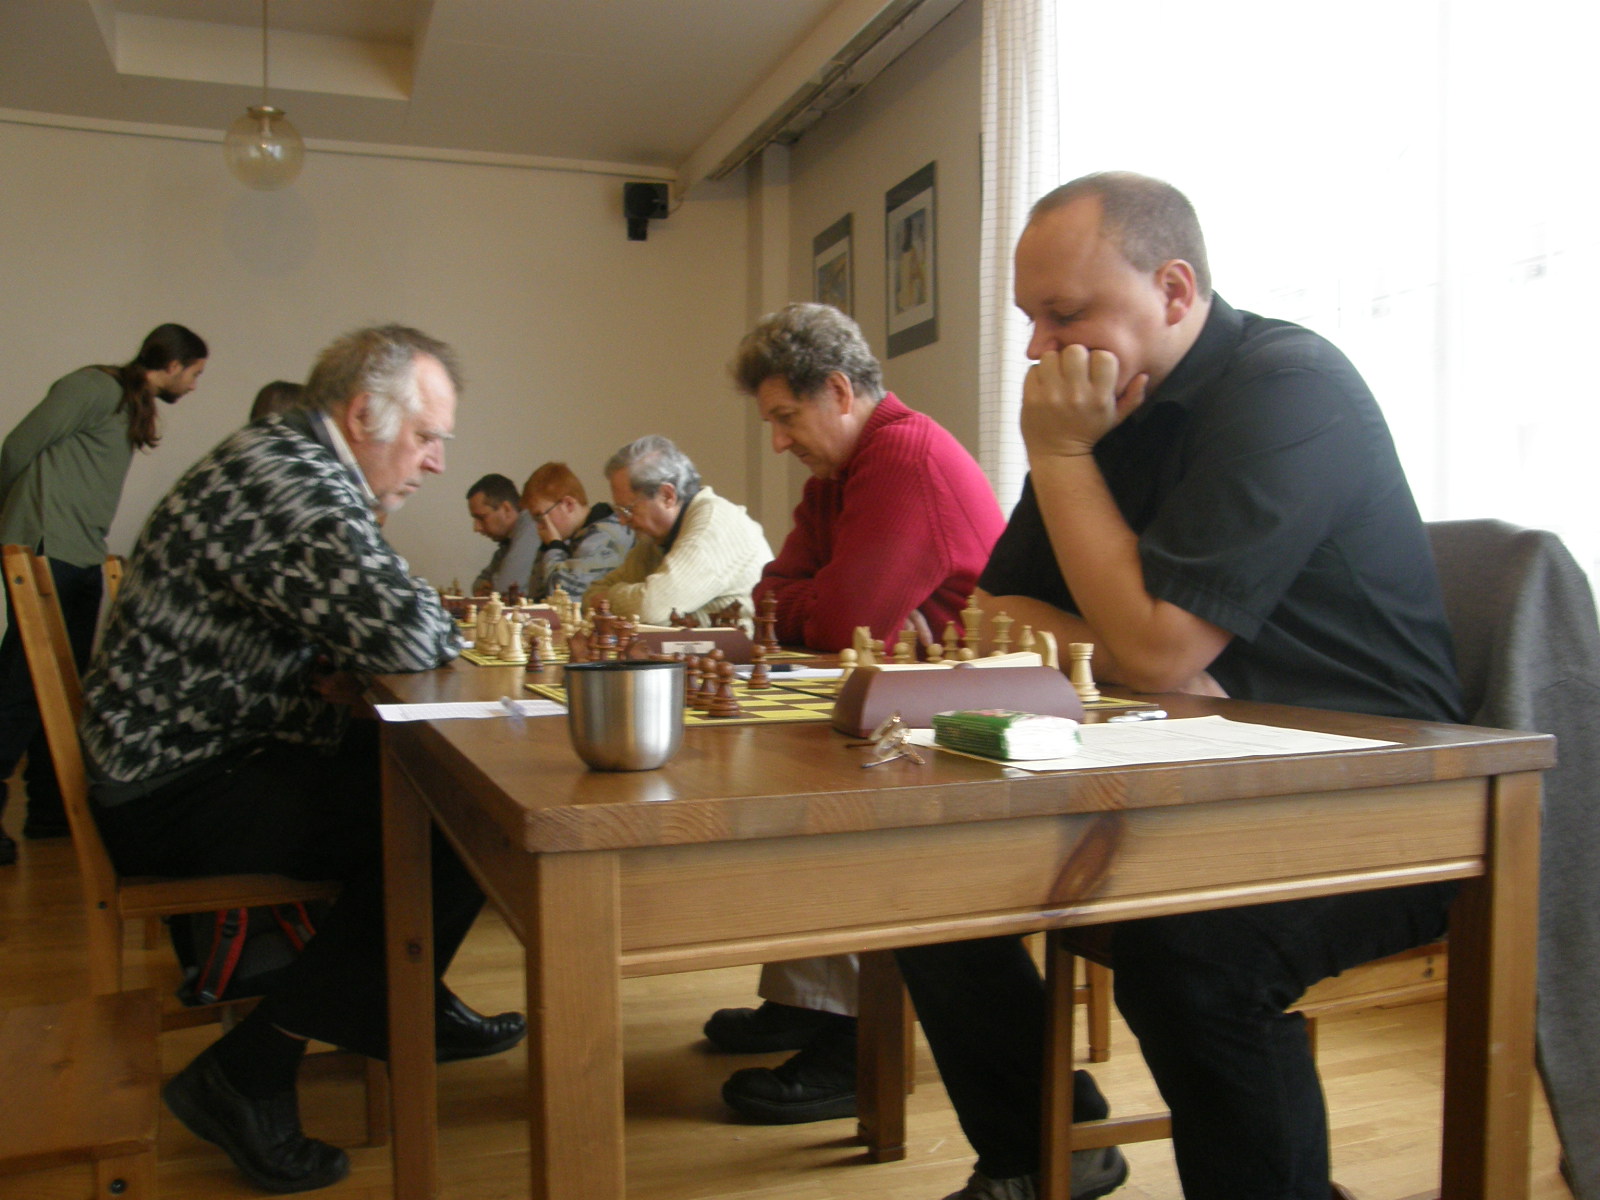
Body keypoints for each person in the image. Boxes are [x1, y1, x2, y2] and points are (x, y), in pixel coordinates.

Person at [896, 173, 1465, 1200]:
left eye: (1064, 313)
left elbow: (1154, 656)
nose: (1037, 349)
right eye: (1031, 320)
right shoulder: (1107, 404)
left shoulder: (1288, 389)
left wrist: (1060, 457)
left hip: (1377, 793)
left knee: (1192, 955)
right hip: (1197, 769)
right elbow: (990, 617)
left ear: (1172, 289)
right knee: (916, 877)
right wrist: (1134, 644)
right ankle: (1044, 1150)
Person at [80, 325, 526, 1195]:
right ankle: (249, 1071)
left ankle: (406, 999)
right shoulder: (299, 485)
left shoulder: (281, 456)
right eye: (426, 437)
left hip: (191, 756)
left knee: (434, 786)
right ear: (362, 415)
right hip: (172, 789)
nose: (437, 462)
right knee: (462, 814)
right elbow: (416, 634)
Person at [706, 302, 1004, 1125]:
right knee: (781, 760)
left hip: (964, 729)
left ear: (839, 391)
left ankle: (853, 1036)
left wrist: (818, 605)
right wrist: (819, 605)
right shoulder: (833, 481)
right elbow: (771, 597)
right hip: (901, 699)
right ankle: (806, 997)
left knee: (824, 784)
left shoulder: (903, 458)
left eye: (785, 417)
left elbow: (840, 622)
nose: (778, 441)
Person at [0, 323, 207, 867]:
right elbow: (18, 447)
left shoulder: (130, 402)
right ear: (173, 364)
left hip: (81, 553)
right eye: (194, 374)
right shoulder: (92, 386)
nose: (194, 386)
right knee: (22, 685)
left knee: (63, 688)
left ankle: (49, 812)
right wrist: (9, 521)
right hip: (44, 548)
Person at [584, 435, 771, 627]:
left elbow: (650, 608)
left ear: (667, 496)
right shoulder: (657, 539)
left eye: (628, 509)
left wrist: (609, 598)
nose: (623, 521)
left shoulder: (713, 525)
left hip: (743, 645)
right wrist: (625, 596)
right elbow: (592, 593)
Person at [521, 461, 632, 601]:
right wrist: (547, 547)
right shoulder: (577, 536)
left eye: (540, 516)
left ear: (568, 504)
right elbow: (536, 597)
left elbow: (563, 598)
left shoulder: (605, 537)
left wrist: (554, 546)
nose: (539, 526)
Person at [466, 472, 540, 597]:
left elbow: (505, 589)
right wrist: (492, 584)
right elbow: (479, 584)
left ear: (506, 509)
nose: (476, 528)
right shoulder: (507, 540)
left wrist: (494, 586)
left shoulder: (531, 527)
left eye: (481, 518)